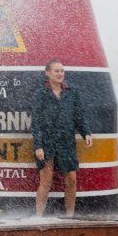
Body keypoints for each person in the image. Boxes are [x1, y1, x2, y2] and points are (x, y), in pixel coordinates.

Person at [31, 59, 93, 217]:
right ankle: (38, 217)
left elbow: (79, 116)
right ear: (48, 73)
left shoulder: (72, 92)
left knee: (72, 179)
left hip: (67, 143)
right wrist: (38, 145)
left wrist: (86, 133)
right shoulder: (40, 94)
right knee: (46, 181)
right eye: (56, 71)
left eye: (62, 71)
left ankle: (70, 215)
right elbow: (36, 122)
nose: (60, 74)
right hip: (47, 142)